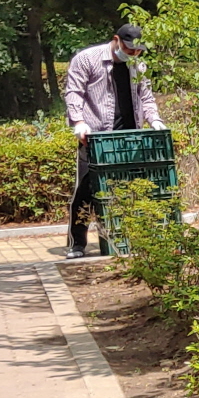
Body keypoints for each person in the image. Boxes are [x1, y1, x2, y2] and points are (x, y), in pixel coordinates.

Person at [61, 22, 164, 259]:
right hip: (95, 137)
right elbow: (74, 92)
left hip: (129, 136)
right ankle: (77, 244)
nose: (133, 54)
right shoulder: (87, 59)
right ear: (116, 40)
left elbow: (146, 97)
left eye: (138, 50)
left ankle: (130, 240)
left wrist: (155, 120)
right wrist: (79, 122)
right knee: (85, 191)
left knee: (132, 189)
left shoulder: (138, 65)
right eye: (129, 49)